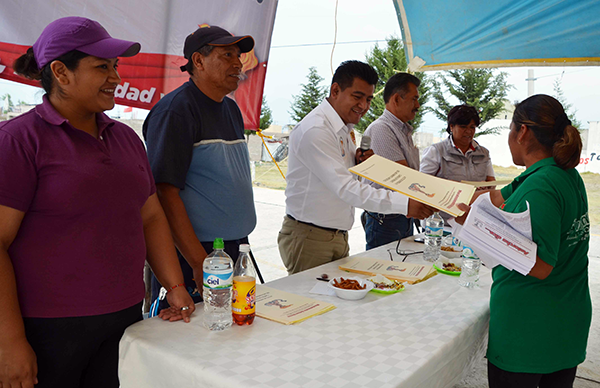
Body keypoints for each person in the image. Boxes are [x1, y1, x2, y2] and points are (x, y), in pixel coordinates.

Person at [0, 17, 194, 388]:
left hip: (124, 319)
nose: (116, 78)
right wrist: (8, 341)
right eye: (102, 66)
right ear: (61, 72)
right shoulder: (19, 141)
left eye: (116, 66)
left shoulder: (125, 138)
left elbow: (150, 215)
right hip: (45, 330)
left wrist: (174, 284)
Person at [458, 95, 591, 388]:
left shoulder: (542, 186)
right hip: (565, 322)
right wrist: (447, 198)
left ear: (523, 132)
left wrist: (480, 231)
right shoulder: (559, 174)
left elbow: (543, 265)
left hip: (530, 332)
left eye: (509, 128)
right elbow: (495, 197)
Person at [278, 60, 435, 274]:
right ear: (335, 90)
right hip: (310, 238)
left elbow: (348, 182)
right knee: (315, 304)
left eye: (369, 99)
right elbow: (346, 189)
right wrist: (406, 204)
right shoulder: (316, 130)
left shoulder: (345, 129)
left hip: (337, 235)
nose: (364, 106)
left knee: (337, 303)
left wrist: (360, 166)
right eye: (357, 97)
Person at [143, 26, 257, 312]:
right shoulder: (177, 110)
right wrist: (198, 261)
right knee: (190, 337)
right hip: (195, 254)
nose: (238, 63)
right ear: (198, 61)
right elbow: (164, 193)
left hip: (232, 248)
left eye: (239, 55)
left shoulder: (230, 109)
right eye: (227, 54)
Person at [362, 72, 421, 250]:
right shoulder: (382, 129)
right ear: (396, 99)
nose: (417, 105)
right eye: (414, 99)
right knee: (383, 272)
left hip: (401, 213)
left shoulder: (403, 130)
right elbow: (403, 177)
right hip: (386, 217)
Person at [420, 104, 495, 223]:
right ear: (451, 127)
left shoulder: (484, 153)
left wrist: (485, 186)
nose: (469, 131)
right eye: (463, 127)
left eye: (472, 127)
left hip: (472, 221)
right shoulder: (436, 151)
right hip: (440, 223)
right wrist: (453, 186)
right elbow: (423, 184)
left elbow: (492, 183)